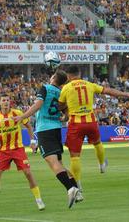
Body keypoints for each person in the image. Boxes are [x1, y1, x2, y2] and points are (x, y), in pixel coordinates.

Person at [58, 65, 129, 193]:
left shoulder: (66, 88)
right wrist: (126, 94)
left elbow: (60, 105)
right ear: (79, 73)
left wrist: (65, 109)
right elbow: (108, 91)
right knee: (98, 143)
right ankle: (101, 165)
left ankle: (78, 185)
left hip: (75, 124)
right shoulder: (89, 84)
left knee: (75, 157)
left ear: (68, 76)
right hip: (91, 121)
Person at [13, 70, 81, 208]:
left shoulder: (45, 88)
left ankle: (70, 188)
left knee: (52, 162)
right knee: (59, 163)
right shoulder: (61, 92)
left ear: (53, 77)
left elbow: (38, 105)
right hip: (56, 128)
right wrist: (63, 118)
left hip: (45, 129)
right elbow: (67, 114)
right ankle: (77, 190)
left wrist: (23, 116)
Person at [0, 93, 45, 213]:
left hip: (18, 149)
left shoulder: (17, 113)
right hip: (3, 151)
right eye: (3, 100)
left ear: (10, 102)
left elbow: (28, 126)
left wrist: (33, 141)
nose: (6, 102)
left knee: (28, 173)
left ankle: (39, 200)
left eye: (7, 100)